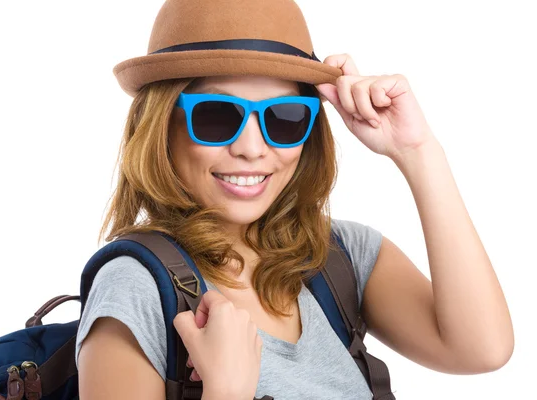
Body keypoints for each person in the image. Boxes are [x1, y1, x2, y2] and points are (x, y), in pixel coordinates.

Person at [74, 0, 514, 399]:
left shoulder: (338, 257)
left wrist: (418, 152)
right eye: (215, 115)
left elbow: (483, 350)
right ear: (161, 126)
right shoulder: (136, 288)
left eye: (284, 118)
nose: (252, 147)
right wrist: (225, 392)